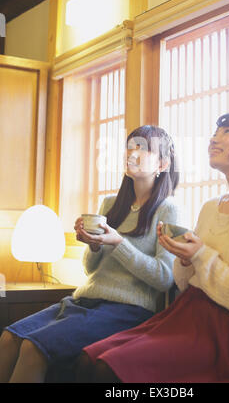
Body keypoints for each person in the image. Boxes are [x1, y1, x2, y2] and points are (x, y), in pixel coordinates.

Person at [76, 112, 229, 383]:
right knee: (89, 358)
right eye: (215, 133)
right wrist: (184, 259)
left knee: (108, 369)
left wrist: (201, 255)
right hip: (185, 314)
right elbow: (184, 283)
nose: (214, 138)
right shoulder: (209, 208)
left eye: (227, 132)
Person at [0, 125, 180, 383]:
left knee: (33, 348)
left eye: (143, 148)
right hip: (83, 301)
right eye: (130, 146)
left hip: (127, 310)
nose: (132, 153)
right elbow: (91, 269)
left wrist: (118, 243)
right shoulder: (110, 204)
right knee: (8, 338)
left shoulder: (168, 209)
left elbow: (163, 278)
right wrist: (93, 244)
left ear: (162, 164)